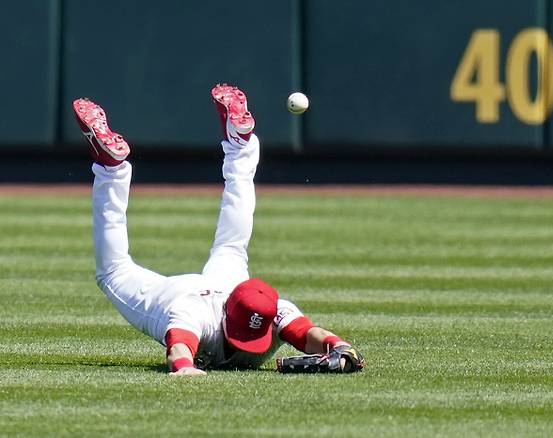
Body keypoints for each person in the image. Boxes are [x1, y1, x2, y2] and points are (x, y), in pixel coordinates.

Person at [73, 84, 364, 375]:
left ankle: (240, 145)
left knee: (232, 247)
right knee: (113, 271)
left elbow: (309, 333)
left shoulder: (272, 310)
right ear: (225, 314)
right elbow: (178, 352)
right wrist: (186, 369)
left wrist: (340, 348)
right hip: (182, 294)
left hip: (227, 283)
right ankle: (112, 169)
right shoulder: (193, 314)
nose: (244, 345)